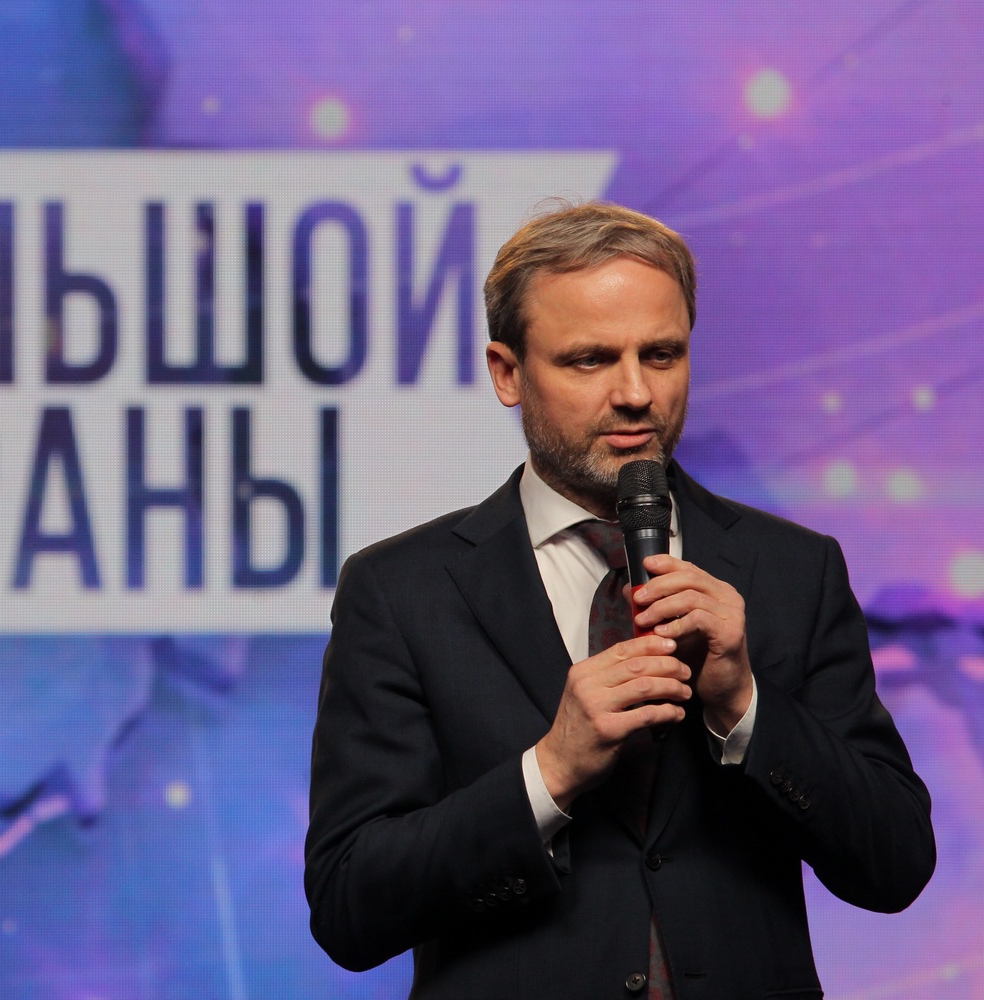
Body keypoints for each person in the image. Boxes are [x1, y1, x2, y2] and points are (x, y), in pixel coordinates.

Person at [304, 202, 934, 998]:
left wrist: (745, 706)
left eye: (661, 354)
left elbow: (895, 864)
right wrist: (550, 773)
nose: (636, 393)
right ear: (507, 372)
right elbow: (349, 905)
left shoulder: (793, 569)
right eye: (590, 360)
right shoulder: (401, 590)